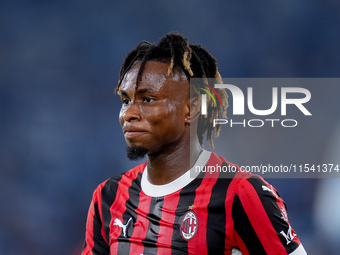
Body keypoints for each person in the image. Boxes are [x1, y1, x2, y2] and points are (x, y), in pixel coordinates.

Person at [82, 32, 307, 255]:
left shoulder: (241, 194)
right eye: (125, 100)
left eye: (148, 100)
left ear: (191, 110)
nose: (129, 113)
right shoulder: (108, 197)